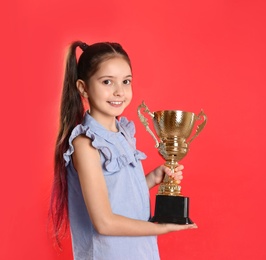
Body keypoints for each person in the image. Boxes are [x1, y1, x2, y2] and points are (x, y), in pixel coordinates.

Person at [49, 41, 197, 259]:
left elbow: (117, 195)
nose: (119, 92)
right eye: (107, 82)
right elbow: (104, 223)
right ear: (83, 87)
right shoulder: (85, 145)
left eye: (126, 81)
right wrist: (161, 228)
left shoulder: (124, 134)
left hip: (140, 252)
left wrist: (152, 178)